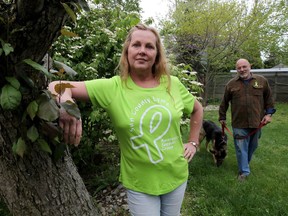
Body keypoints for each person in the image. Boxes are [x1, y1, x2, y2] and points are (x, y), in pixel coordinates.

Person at [48, 23, 203, 215]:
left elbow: (197, 109)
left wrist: (193, 142)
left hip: (177, 174)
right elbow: (57, 85)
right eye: (136, 45)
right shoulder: (113, 88)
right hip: (140, 182)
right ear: (127, 51)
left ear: (157, 55)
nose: (142, 51)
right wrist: (66, 105)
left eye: (149, 47)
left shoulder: (173, 84)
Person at [219, 58, 276, 181]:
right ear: (236, 69)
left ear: (250, 66)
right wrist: (222, 117)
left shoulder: (262, 81)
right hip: (239, 122)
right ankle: (244, 172)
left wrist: (268, 115)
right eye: (239, 68)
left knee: (252, 146)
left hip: (257, 121)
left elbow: (269, 100)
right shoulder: (231, 84)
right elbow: (224, 103)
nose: (242, 69)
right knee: (240, 148)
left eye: (244, 66)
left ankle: (245, 163)